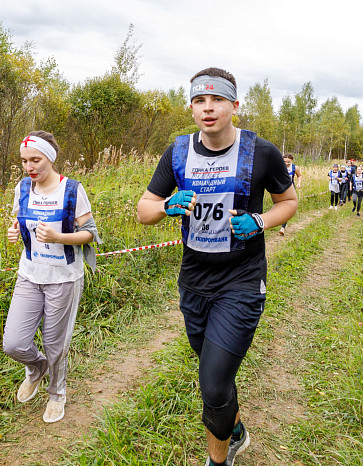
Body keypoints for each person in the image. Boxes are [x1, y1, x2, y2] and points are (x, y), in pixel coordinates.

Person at [136, 67, 297, 466]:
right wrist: (164, 206)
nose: (208, 108)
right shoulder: (177, 152)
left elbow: (289, 202)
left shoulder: (261, 152)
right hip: (194, 281)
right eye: (199, 101)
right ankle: (235, 427)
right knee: (217, 377)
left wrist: (259, 221)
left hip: (241, 280)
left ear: (234, 106)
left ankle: (218, 460)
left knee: (212, 384)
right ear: (191, 107)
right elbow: (143, 210)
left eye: (217, 100)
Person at [3, 130, 101, 423]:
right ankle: (36, 368)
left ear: (51, 158)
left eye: (36, 160)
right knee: (14, 343)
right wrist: (13, 231)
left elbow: (91, 235)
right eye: (24, 161)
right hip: (30, 274)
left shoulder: (71, 190)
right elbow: (18, 222)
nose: (30, 167)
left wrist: (60, 236)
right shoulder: (23, 189)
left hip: (64, 278)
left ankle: (57, 394)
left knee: (55, 344)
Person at [279, 153, 302, 235]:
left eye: (288, 162)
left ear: (291, 161)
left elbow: (299, 175)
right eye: (285, 161)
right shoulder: (279, 167)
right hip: (281, 189)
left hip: (290, 190)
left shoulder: (295, 168)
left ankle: (282, 227)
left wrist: (299, 183)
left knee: (287, 208)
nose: (286, 163)